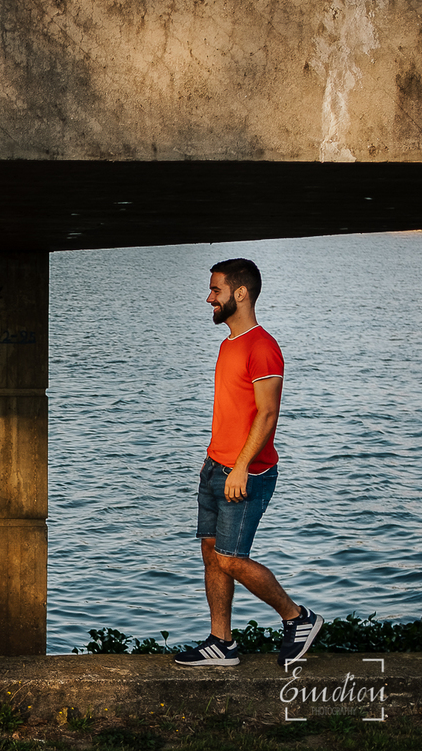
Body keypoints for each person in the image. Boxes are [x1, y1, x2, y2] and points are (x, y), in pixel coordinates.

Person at [174, 259, 323, 668]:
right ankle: (221, 643)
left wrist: (240, 466)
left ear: (240, 294)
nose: (209, 297)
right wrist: (214, 463)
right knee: (211, 553)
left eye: (216, 290)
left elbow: (267, 414)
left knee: (229, 558)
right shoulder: (229, 345)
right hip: (215, 468)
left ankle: (298, 617)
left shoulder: (262, 346)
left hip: (247, 472)